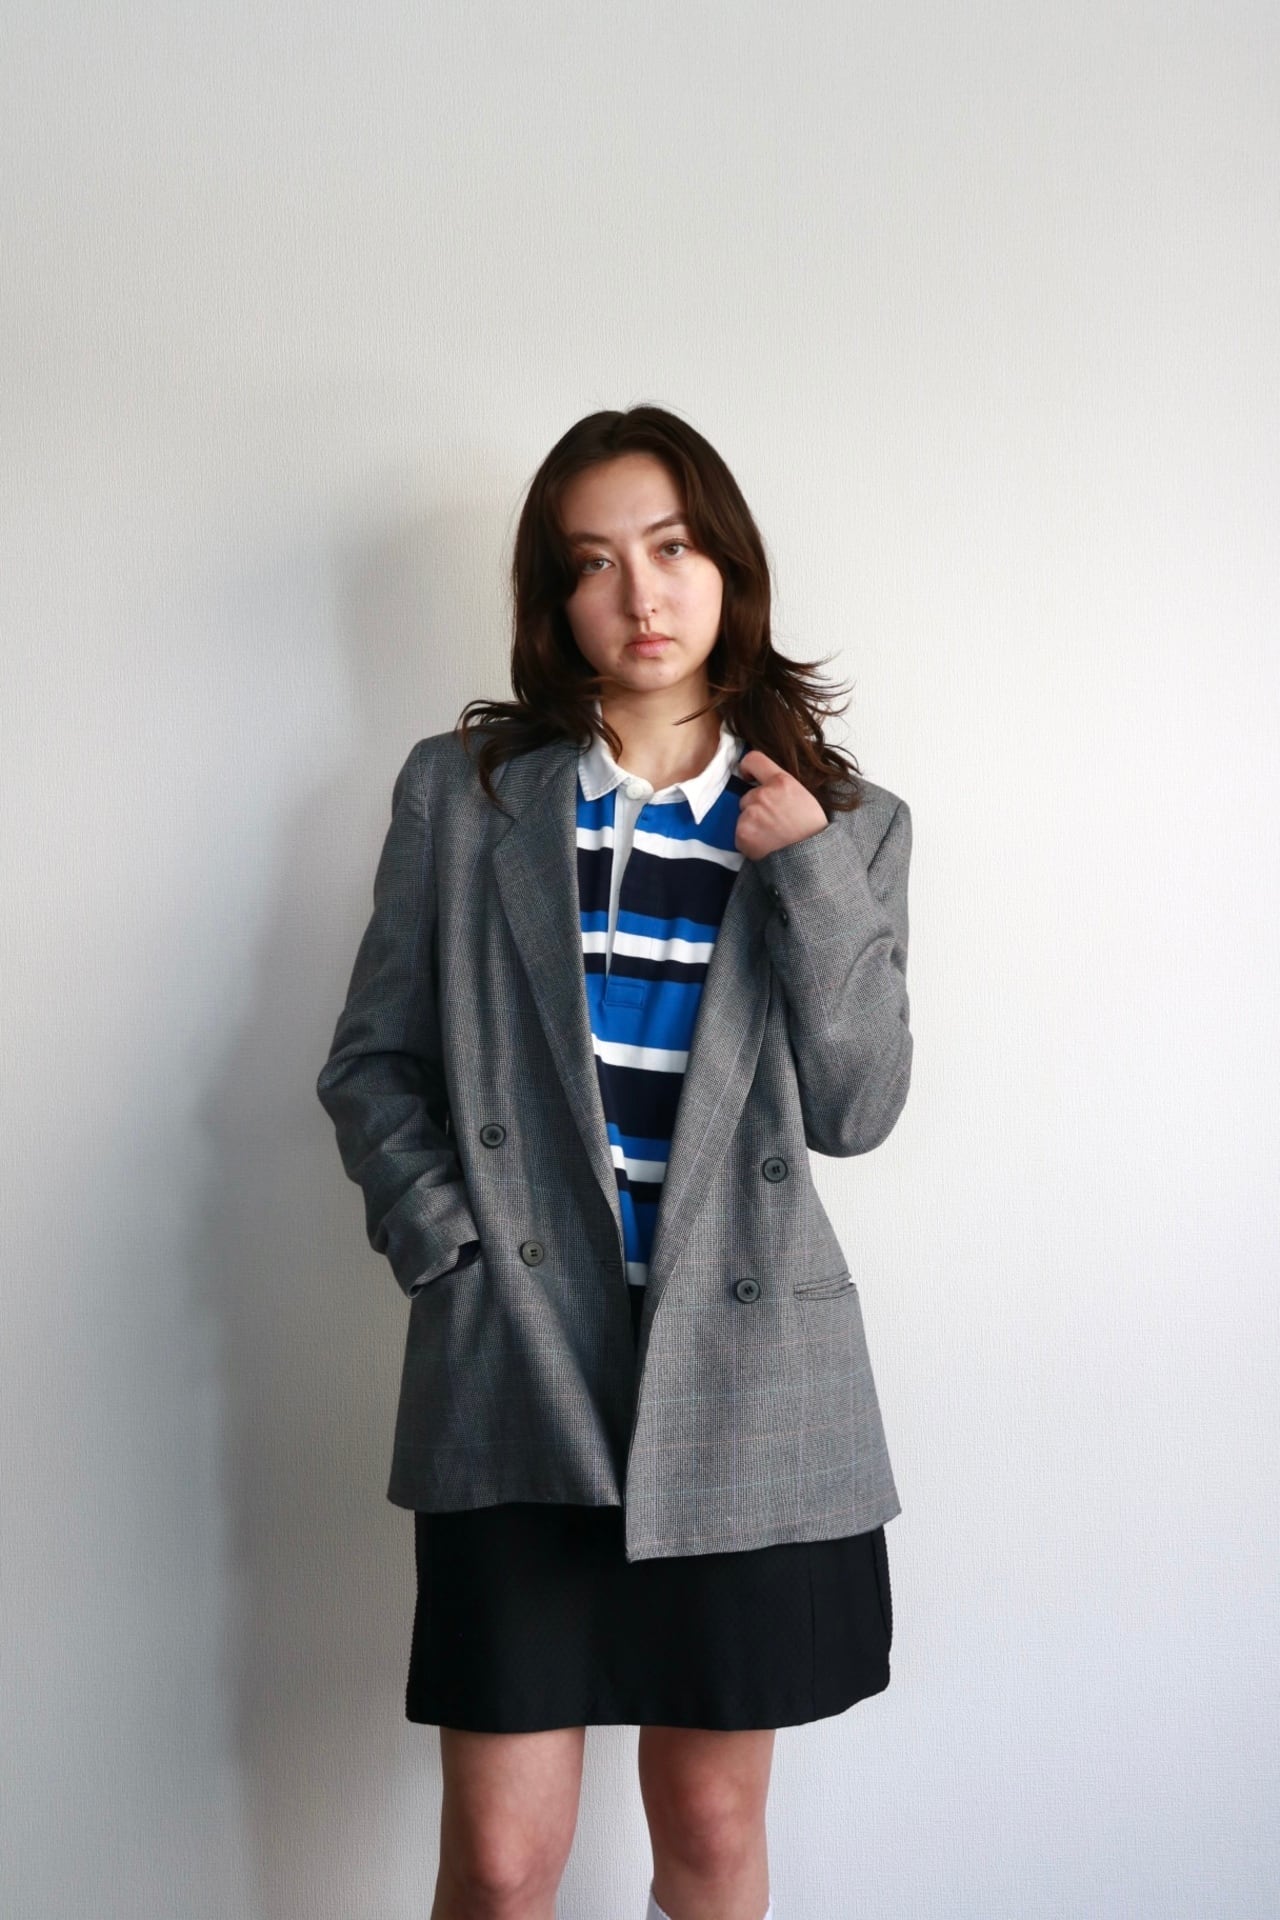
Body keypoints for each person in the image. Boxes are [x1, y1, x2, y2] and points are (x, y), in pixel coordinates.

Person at [315, 404, 913, 1920]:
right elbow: (374, 1061)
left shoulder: (846, 825)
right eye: (592, 562)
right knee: (501, 1865)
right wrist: (447, 1249)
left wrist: (806, 872)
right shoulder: (466, 795)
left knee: (708, 1837)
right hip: (521, 1363)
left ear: (729, 566)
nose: (640, 593)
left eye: (672, 547)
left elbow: (857, 1107)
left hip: (743, 1380)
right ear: (553, 600)